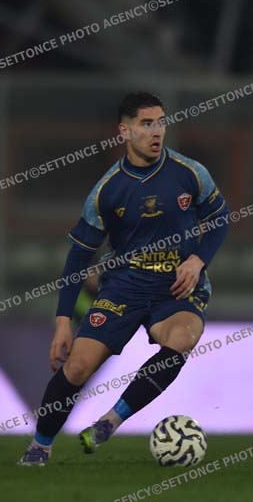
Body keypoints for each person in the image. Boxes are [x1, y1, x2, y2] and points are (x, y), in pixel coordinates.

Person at [18, 92, 229, 466]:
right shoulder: (107, 190)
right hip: (123, 287)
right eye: (146, 124)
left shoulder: (189, 173)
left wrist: (197, 260)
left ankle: (109, 421)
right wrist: (63, 321)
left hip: (175, 289)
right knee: (77, 367)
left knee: (182, 339)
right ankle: (40, 446)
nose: (156, 131)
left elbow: (220, 219)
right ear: (125, 131)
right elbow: (79, 256)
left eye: (161, 122)